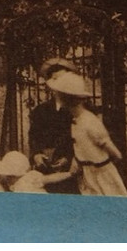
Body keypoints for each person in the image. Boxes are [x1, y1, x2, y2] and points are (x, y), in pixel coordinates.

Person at [46, 70, 127, 196]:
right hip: (87, 177)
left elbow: (116, 155)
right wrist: (78, 160)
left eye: (59, 94)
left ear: (68, 98)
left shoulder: (90, 123)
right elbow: (81, 145)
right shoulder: (76, 120)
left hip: (102, 179)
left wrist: (99, 167)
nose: (56, 96)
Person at [28, 57, 80, 194]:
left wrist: (69, 157)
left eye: (64, 79)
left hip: (70, 172)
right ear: (50, 84)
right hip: (44, 172)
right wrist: (37, 155)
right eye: (55, 79)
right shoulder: (40, 111)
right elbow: (33, 137)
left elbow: (83, 139)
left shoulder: (78, 110)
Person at [0, 150, 76, 193]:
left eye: (7, 176)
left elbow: (50, 178)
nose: (6, 179)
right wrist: (69, 174)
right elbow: (49, 178)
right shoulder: (30, 176)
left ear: (11, 176)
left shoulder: (25, 184)